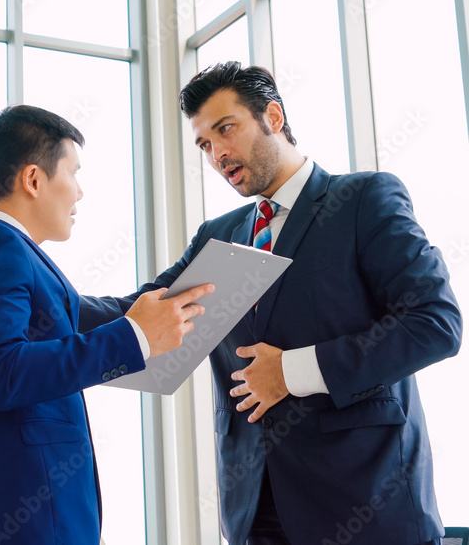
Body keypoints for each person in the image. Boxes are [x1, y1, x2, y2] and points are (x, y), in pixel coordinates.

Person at [86, 61, 462, 544]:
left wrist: (291, 372)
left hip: (364, 502)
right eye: (204, 144)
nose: (218, 153)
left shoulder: (365, 199)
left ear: (274, 118)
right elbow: (144, 307)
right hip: (254, 509)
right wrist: (39, 292)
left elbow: (435, 323)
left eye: (226, 129)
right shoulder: (218, 235)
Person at [0, 105, 213, 544]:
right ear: (33, 179)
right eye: (73, 172)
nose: (80, 192)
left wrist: (199, 262)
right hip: (21, 523)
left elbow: (115, 310)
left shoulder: (15, 255)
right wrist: (135, 337)